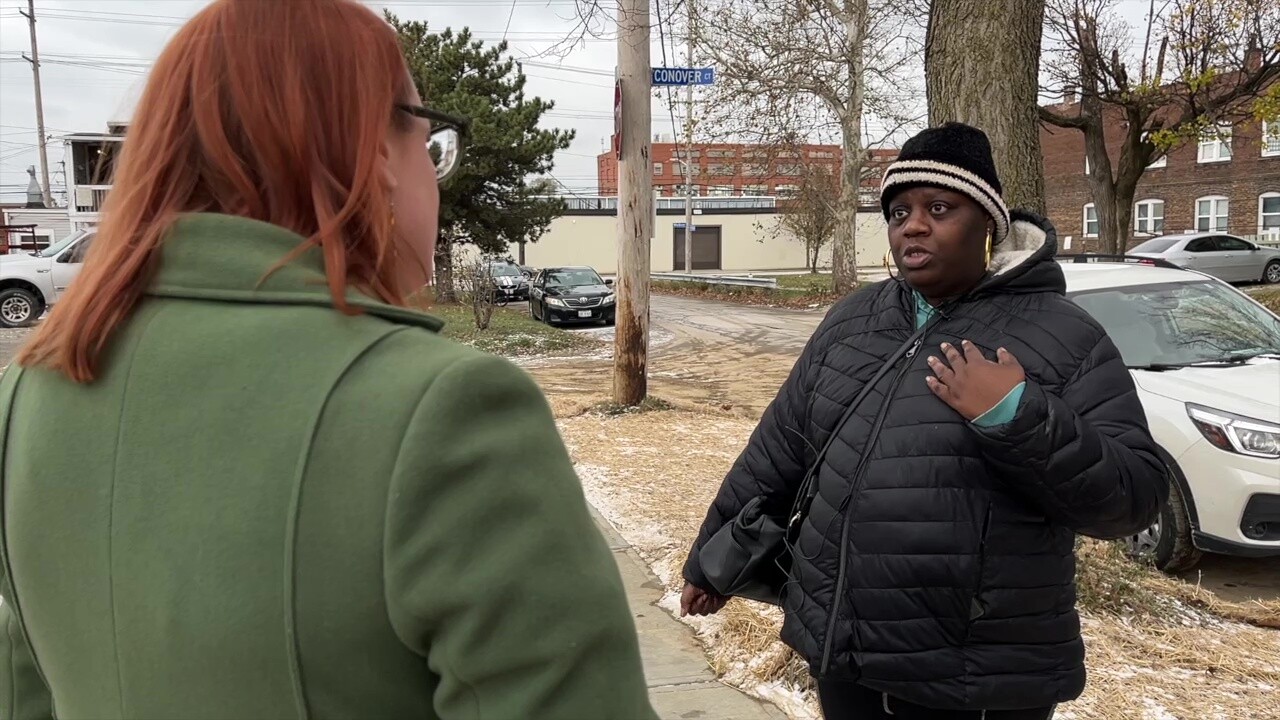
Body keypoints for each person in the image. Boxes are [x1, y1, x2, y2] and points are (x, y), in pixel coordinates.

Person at [0, 1, 657, 718]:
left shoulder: (25, 398)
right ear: (374, 152)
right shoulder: (445, 413)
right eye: (429, 141)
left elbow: (26, 687)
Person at [679, 122, 1167, 719]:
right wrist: (711, 560)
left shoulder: (1062, 335)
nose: (912, 224)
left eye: (940, 207)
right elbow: (779, 450)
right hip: (845, 651)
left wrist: (1015, 413)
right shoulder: (853, 321)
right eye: (898, 211)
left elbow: (1133, 498)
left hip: (977, 674)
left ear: (988, 224)